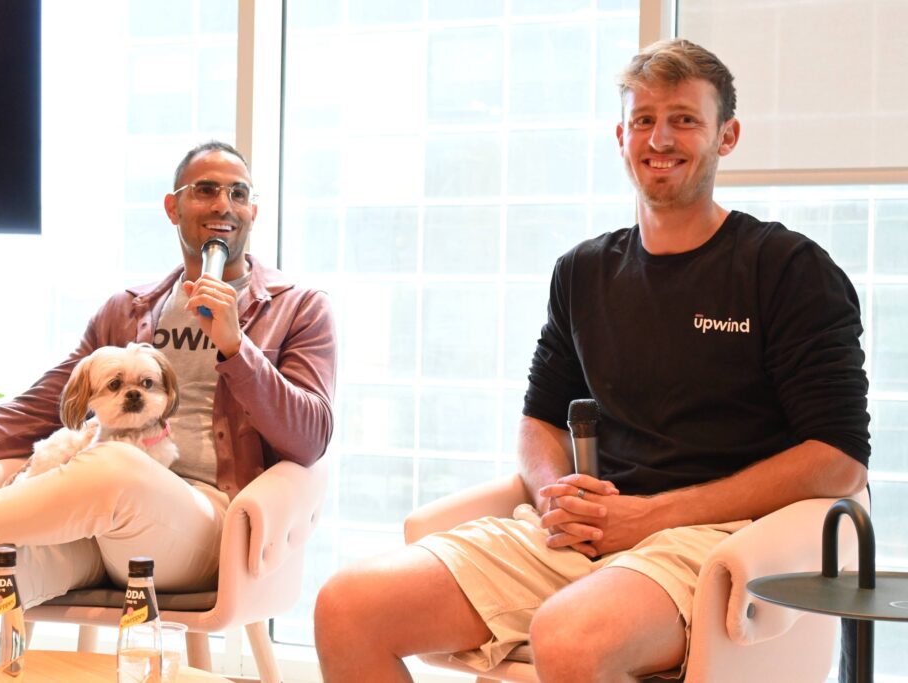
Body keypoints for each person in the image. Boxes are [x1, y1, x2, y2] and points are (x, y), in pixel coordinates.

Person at [314, 39, 869, 682]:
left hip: (717, 539)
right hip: (589, 535)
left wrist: (652, 516)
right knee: (347, 607)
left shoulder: (789, 271)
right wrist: (556, 495)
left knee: (571, 637)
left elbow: (837, 458)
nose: (660, 137)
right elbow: (540, 419)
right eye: (644, 119)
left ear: (728, 135)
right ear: (622, 135)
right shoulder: (583, 272)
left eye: (685, 118)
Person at [0, 140, 337, 652]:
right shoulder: (127, 310)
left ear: (252, 210)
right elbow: (35, 410)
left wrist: (237, 347)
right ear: (174, 207)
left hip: (206, 527)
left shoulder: (298, 308)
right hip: (94, 527)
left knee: (117, 464)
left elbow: (310, 439)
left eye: (238, 193)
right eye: (205, 190)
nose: (222, 206)